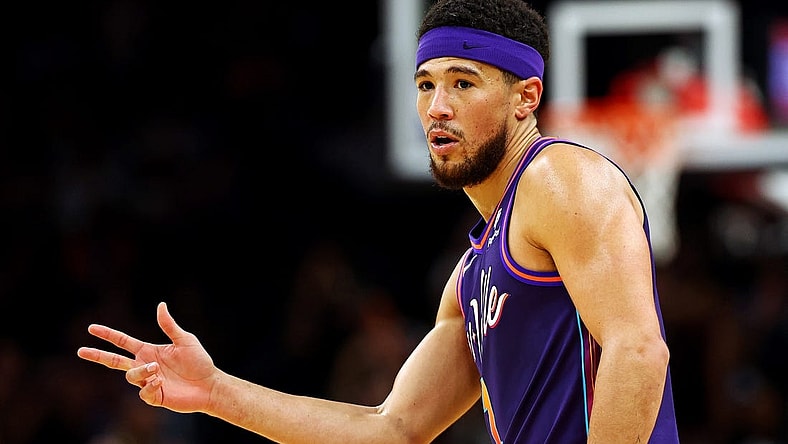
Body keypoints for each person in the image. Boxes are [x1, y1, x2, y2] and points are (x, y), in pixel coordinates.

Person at [77, 0, 681, 442]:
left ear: (525, 98)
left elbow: (638, 350)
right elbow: (392, 430)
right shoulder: (472, 276)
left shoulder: (560, 178)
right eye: (425, 84)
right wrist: (216, 392)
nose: (437, 107)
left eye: (463, 83)